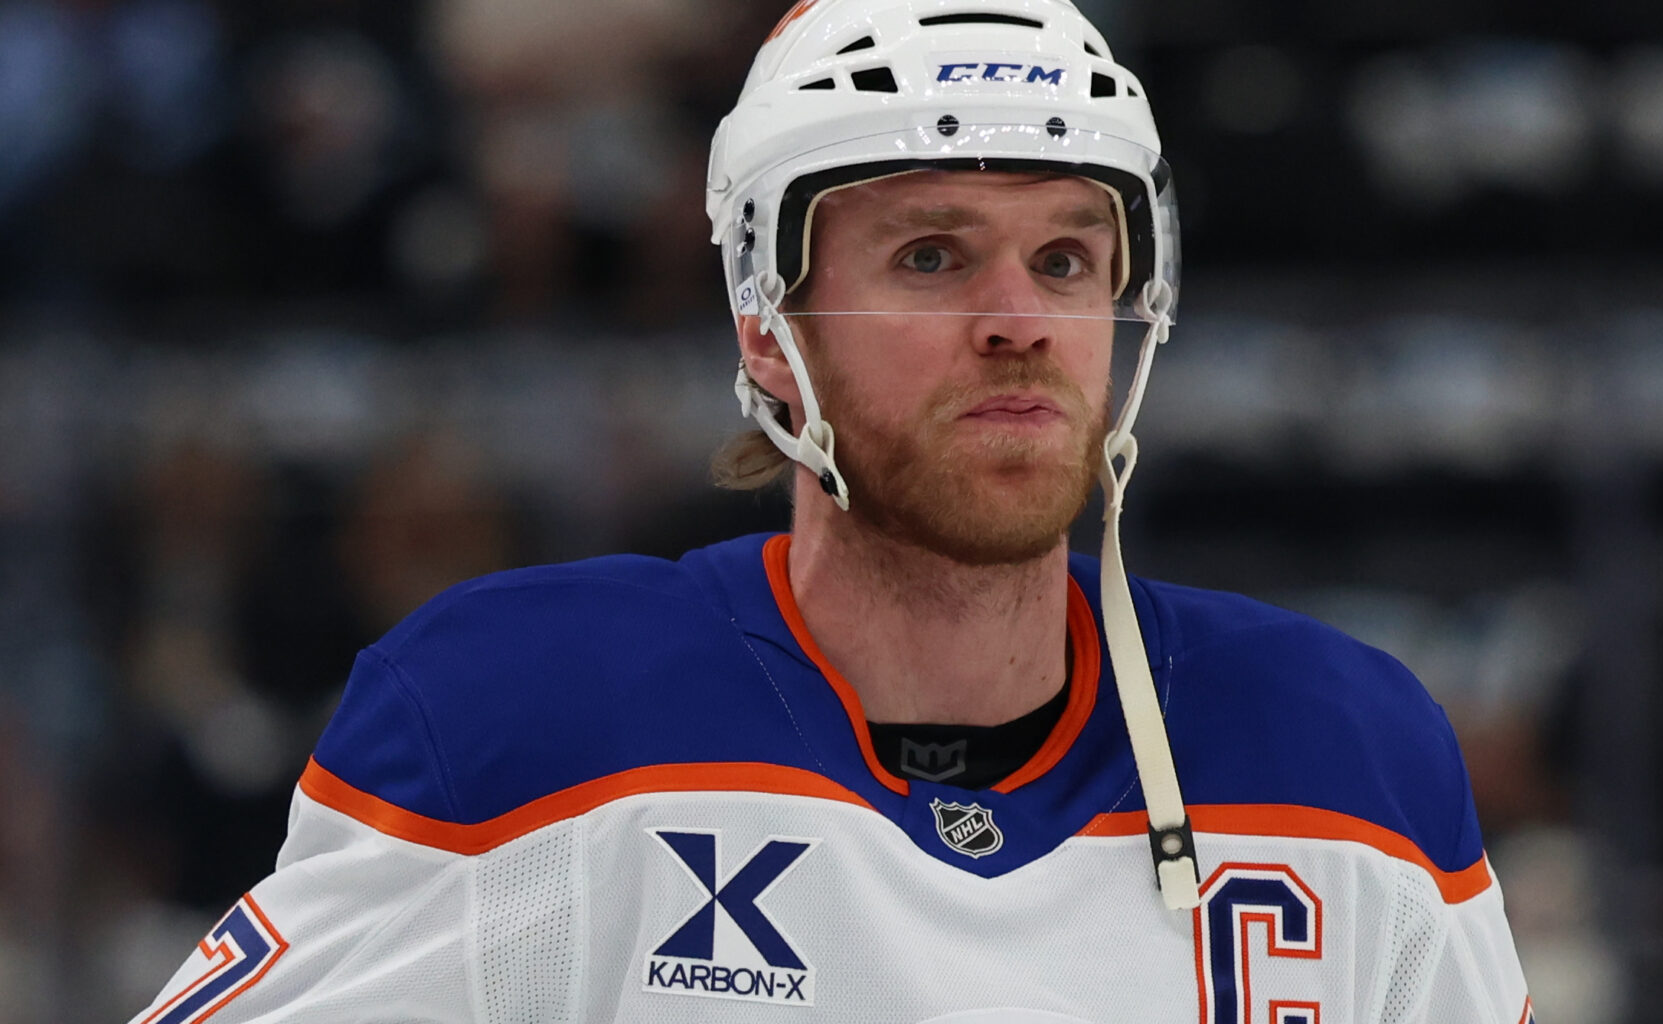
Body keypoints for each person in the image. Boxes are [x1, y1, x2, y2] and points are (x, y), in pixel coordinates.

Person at [131, 1, 1533, 1021]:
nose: (1018, 322)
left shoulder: (1347, 755)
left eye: (1065, 258)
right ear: (767, 327)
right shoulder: (521, 715)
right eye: (931, 256)